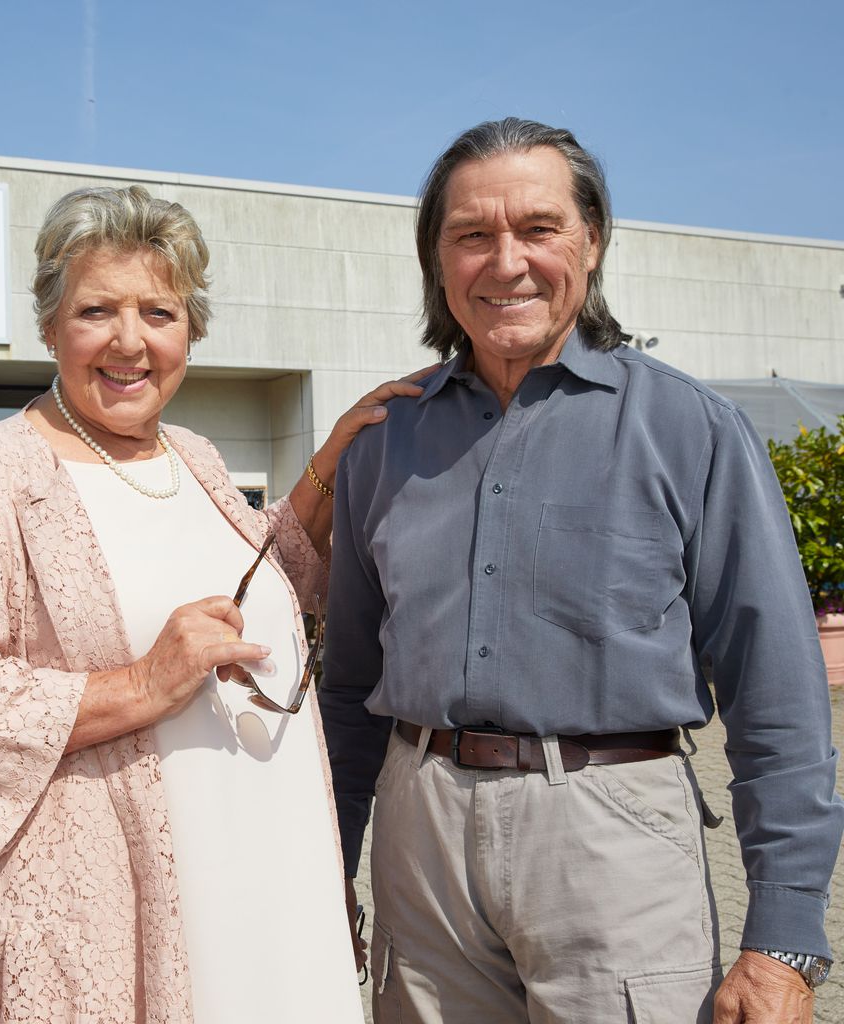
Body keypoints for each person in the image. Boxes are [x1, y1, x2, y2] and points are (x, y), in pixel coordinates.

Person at [0, 184, 424, 1024]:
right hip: (112, 912)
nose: (130, 342)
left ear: (190, 330)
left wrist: (329, 463)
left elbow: (260, 581)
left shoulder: (193, 456)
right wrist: (141, 684)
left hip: (264, 876)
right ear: (51, 325)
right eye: (97, 311)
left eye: (159, 312)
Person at [319, 117, 844, 1024]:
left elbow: (777, 693)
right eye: (472, 234)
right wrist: (327, 865)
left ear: (591, 241)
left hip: (614, 837)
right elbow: (349, 685)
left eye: (539, 228)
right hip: (419, 842)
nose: (506, 262)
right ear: (437, 259)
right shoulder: (383, 443)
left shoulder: (692, 431)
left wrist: (785, 935)